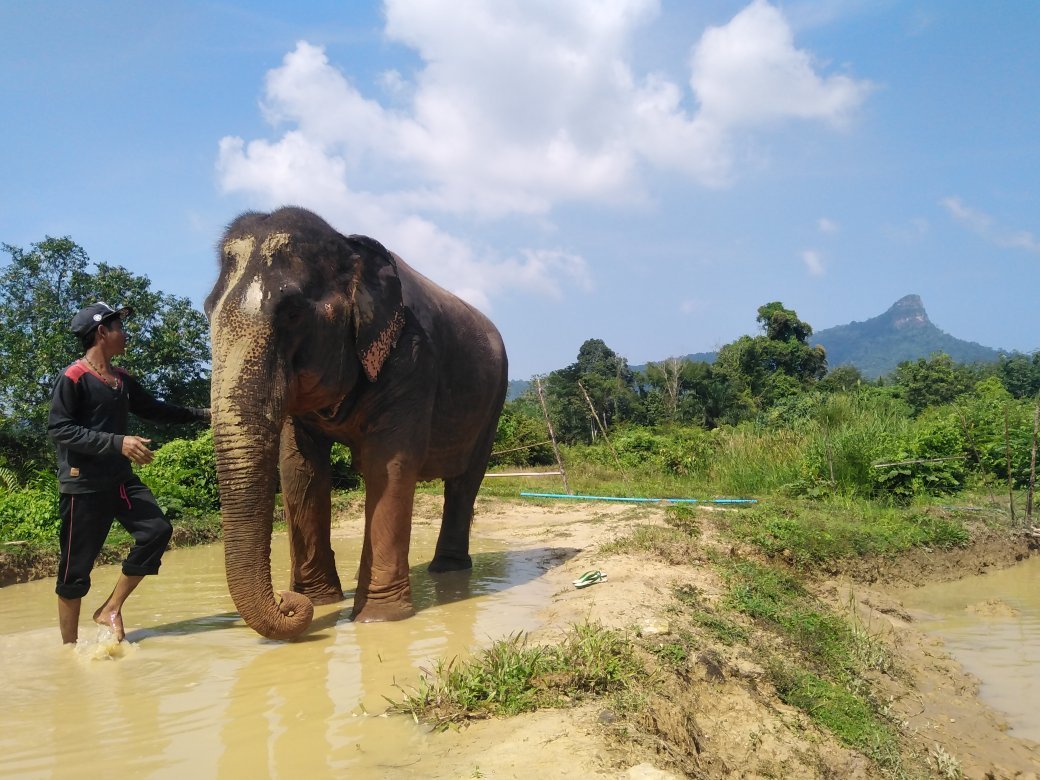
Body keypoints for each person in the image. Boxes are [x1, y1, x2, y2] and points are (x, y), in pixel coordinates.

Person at [47, 301, 211, 644]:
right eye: (119, 327)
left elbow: (154, 409)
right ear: (102, 332)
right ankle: (69, 650)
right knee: (75, 572)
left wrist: (203, 413)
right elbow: (61, 430)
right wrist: (117, 442)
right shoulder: (73, 377)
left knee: (156, 530)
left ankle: (110, 608)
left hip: (120, 481)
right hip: (84, 487)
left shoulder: (121, 379)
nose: (126, 333)